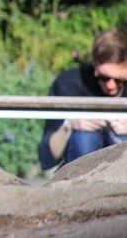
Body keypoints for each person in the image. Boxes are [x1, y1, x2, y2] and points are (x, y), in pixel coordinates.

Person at [38, 28, 127, 170]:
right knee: (85, 137)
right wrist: (70, 124)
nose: (111, 85)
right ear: (95, 65)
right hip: (80, 165)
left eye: (120, 80)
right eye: (104, 78)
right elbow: (46, 158)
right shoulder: (69, 83)